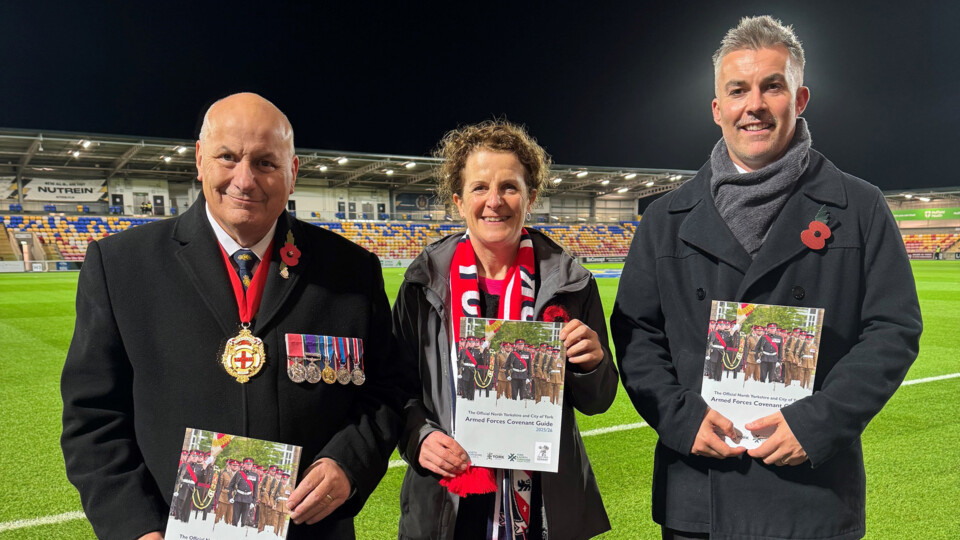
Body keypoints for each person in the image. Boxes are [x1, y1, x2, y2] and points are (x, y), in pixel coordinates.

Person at [611, 16, 922, 540]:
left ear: (799, 99)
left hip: (814, 498)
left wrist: (818, 422)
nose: (753, 104)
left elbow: (893, 330)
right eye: (737, 90)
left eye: (771, 86)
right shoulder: (665, 219)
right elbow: (637, 335)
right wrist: (681, 418)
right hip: (698, 497)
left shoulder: (862, 207)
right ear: (717, 109)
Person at [60, 92, 407, 540]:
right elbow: (94, 416)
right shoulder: (122, 266)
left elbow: (386, 390)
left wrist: (349, 463)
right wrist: (136, 528)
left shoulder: (351, 271)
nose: (245, 180)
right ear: (200, 160)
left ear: (293, 172)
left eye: (265, 162)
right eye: (228, 157)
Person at [393, 120, 618, 539]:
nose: (494, 201)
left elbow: (600, 400)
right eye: (479, 188)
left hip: (543, 501)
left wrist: (592, 364)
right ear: (459, 202)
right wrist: (419, 436)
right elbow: (393, 387)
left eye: (509, 187)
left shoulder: (572, 282)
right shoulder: (422, 283)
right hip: (448, 499)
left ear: (530, 197)